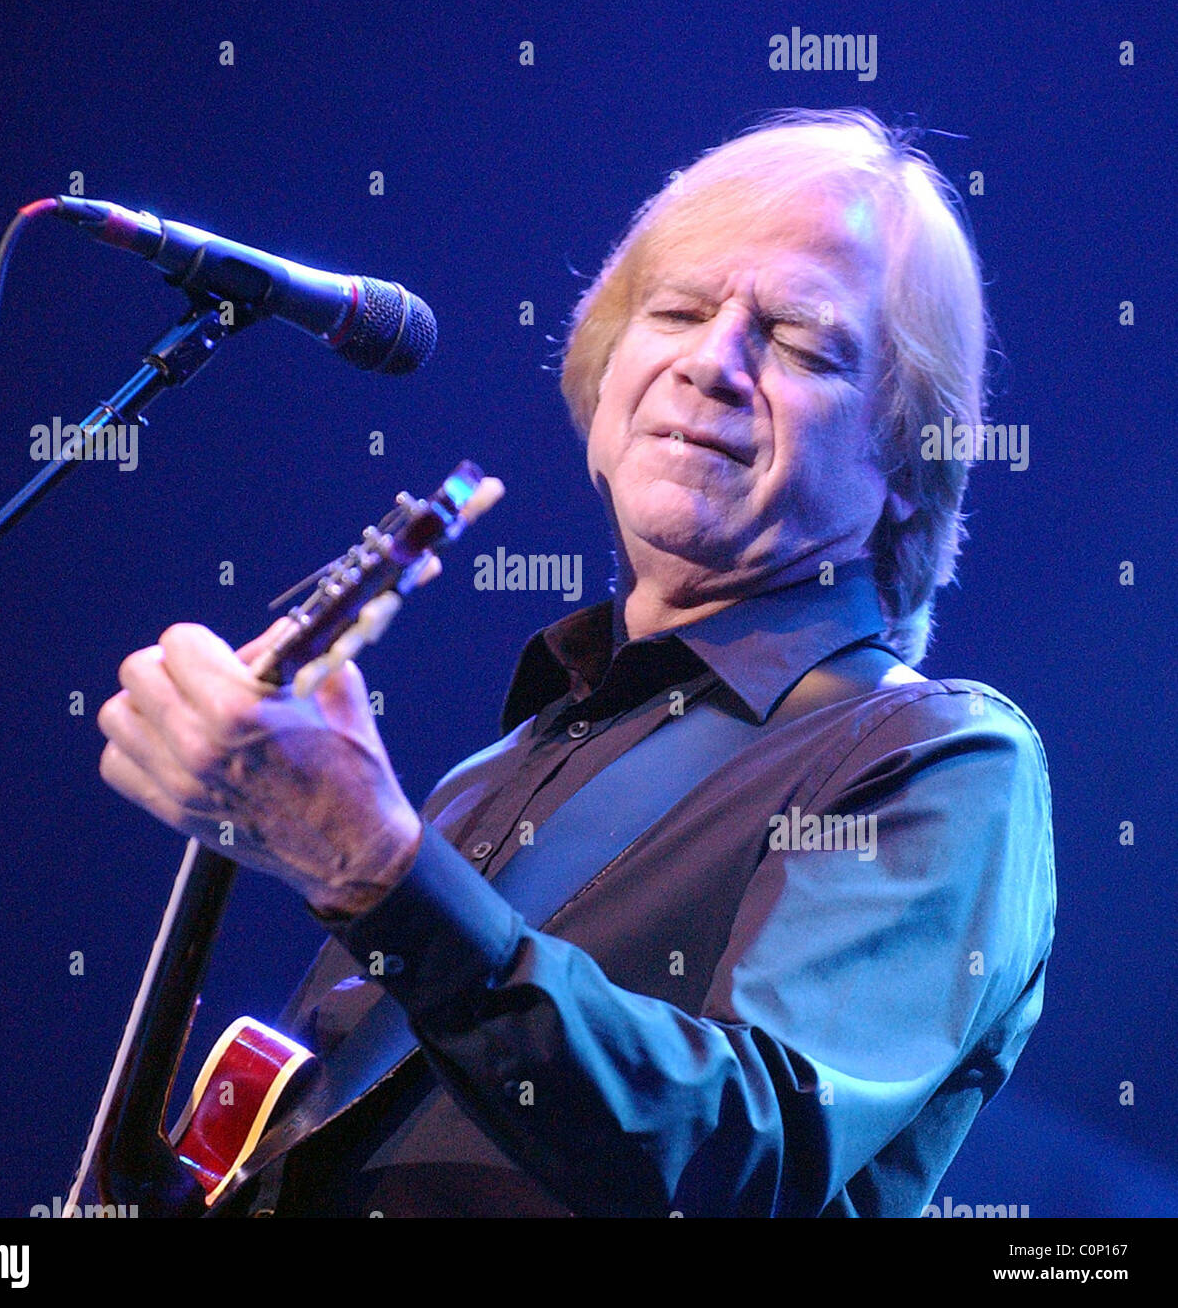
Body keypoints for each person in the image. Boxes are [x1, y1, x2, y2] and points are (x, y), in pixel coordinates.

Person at [96, 107, 1055, 1217]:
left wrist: (378, 865)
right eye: (679, 310)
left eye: (795, 340)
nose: (712, 362)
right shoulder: (485, 778)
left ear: (904, 456)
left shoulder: (940, 758)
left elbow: (741, 1155)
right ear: (603, 379)